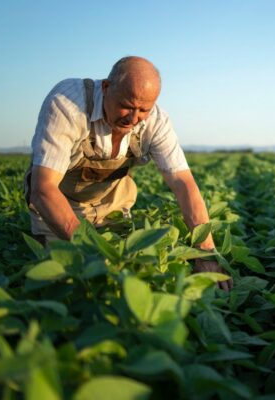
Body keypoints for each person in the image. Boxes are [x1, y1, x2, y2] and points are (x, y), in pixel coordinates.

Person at [24, 56, 232, 291]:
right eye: (127, 105)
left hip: (112, 209)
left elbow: (183, 183)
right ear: (106, 87)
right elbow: (43, 190)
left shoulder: (156, 121)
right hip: (59, 210)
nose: (133, 118)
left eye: (144, 109)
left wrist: (204, 254)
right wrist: (95, 252)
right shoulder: (67, 103)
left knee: (138, 276)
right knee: (69, 281)